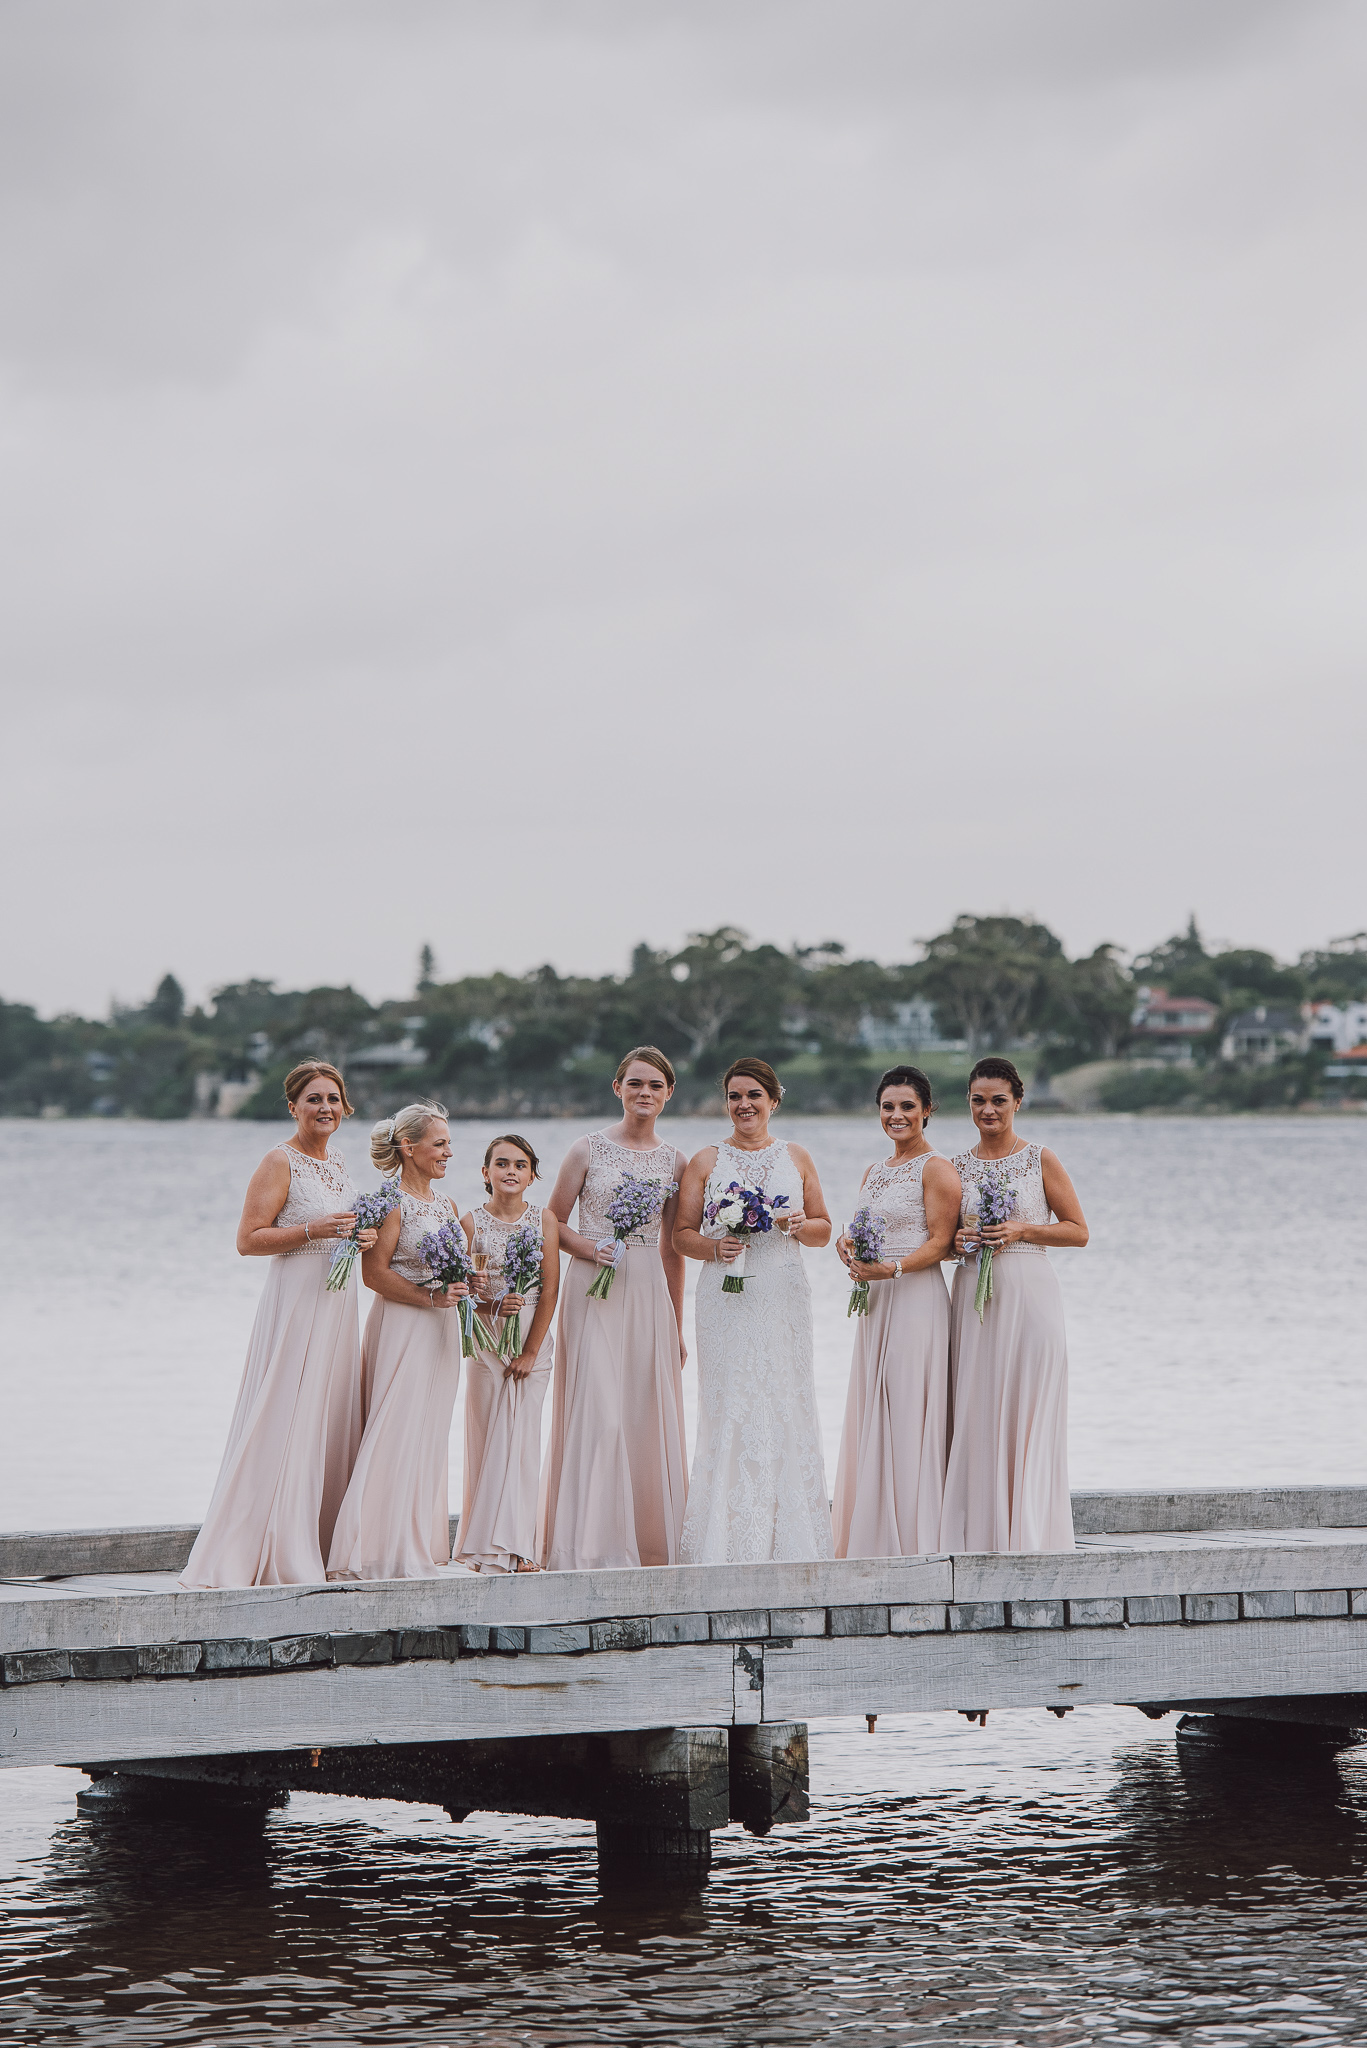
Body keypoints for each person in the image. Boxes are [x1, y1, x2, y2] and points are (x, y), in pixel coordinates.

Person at [182, 1062, 377, 1589]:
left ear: (346, 1107)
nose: (325, 1108)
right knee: (285, 1413)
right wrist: (313, 1229)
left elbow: (343, 1227)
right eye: (314, 1099)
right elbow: (248, 1240)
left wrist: (357, 1240)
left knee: (326, 1414)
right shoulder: (278, 1160)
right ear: (293, 1106)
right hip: (296, 1299)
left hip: (338, 1301)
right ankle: (268, 1543)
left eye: (333, 1099)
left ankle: (319, 1539)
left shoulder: (338, 1162)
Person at [673, 1057, 834, 1563]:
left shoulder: (798, 1157)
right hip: (727, 1294)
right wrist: (713, 1248)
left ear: (774, 1100)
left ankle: (788, 1538)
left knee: (785, 1397)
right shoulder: (705, 1161)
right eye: (735, 1096)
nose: (744, 1105)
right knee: (731, 1401)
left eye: (753, 1096)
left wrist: (795, 1226)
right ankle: (723, 1539)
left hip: (783, 1293)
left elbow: (824, 1231)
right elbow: (681, 1236)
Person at [539, 1047, 689, 1570]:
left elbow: (673, 1247)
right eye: (634, 1084)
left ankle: (646, 1543)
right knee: (598, 1413)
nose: (643, 1093)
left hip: (648, 1290)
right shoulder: (586, 1149)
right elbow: (552, 1223)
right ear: (617, 1088)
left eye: (654, 1085)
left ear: (669, 1094)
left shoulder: (676, 1161)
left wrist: (676, 1325)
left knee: (642, 1413)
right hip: (591, 1290)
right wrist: (590, 1249)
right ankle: (587, 1545)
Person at [940, 1057, 1088, 1554]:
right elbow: (940, 1241)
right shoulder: (955, 1166)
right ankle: (980, 1529)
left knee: (1027, 1402)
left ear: (1017, 1102)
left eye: (998, 1100)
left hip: (1029, 1291)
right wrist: (959, 1241)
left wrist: (1023, 1229)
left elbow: (1078, 1231)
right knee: (978, 1404)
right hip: (973, 1297)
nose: (988, 1110)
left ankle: (1029, 1528)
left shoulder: (1039, 1159)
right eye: (978, 1101)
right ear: (968, 1103)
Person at [326, 1102, 469, 1581]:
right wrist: (429, 1299)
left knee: (428, 1432)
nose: (450, 1151)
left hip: (442, 1331)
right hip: (404, 1326)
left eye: (449, 1143)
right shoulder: (389, 1202)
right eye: (440, 1143)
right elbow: (374, 1274)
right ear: (409, 1147)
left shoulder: (448, 1206)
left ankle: (414, 1542)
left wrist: (465, 1287)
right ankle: (369, 1548)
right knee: (394, 1428)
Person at [832, 1067, 962, 1559]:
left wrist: (894, 1269)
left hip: (914, 1296)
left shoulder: (937, 1168)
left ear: (927, 1110)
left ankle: (910, 1532)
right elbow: (863, 1226)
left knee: (908, 1405)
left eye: (907, 1106)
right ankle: (872, 1525)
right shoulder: (875, 1171)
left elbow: (942, 1242)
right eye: (888, 1107)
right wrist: (847, 1246)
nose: (897, 1116)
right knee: (875, 1403)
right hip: (876, 1301)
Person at [454, 1134, 560, 1574]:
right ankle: (481, 1547)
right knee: (485, 1435)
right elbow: (461, 1294)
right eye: (501, 1163)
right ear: (486, 1173)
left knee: (522, 1441)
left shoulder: (545, 1221)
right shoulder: (470, 1223)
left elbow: (551, 1289)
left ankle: (520, 1547)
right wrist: (491, 1305)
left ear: (532, 1175)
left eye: (520, 1164)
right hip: (487, 1340)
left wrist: (531, 1351)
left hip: (532, 1341)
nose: (510, 1171)